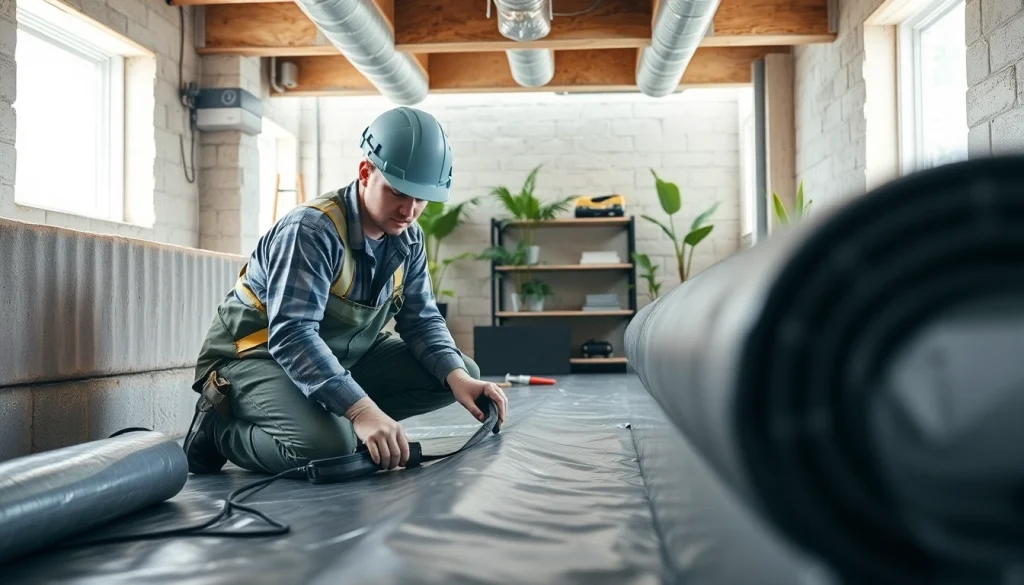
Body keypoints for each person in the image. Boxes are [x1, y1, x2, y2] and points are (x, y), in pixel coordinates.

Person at [183, 106, 508, 476]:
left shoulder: (409, 238)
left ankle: (336, 412)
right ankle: (220, 431)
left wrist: (459, 379)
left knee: (458, 371)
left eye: (422, 198)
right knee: (329, 449)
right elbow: (291, 335)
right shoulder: (312, 231)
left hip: (342, 357)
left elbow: (421, 320)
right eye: (398, 192)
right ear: (366, 172)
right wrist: (361, 410)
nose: (409, 210)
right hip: (257, 356)